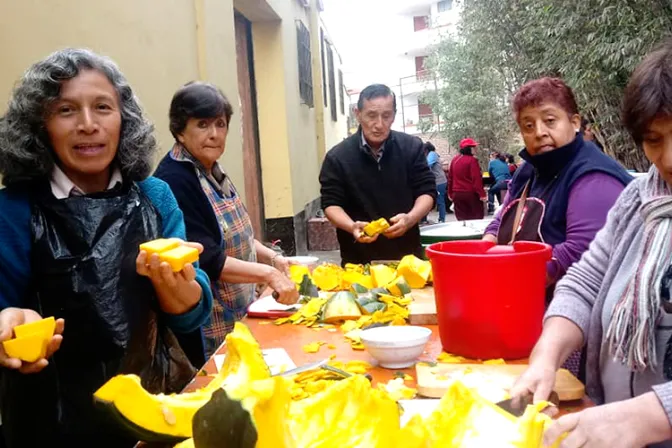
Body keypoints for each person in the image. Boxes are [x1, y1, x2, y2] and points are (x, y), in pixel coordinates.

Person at [0, 49, 214, 447]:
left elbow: (190, 319)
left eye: (102, 107)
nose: (87, 125)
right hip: (48, 424)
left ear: (123, 119)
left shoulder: (155, 196)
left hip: (154, 412)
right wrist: (8, 320)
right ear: (39, 125)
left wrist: (175, 285)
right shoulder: (13, 209)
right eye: (65, 110)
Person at [511, 41, 672, 448]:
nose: (668, 159)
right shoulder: (639, 200)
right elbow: (585, 281)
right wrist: (547, 353)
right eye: (654, 140)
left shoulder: (594, 178)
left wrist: (651, 416)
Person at [482, 77, 632, 376]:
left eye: (550, 120)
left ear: (574, 122)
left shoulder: (592, 175)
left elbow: (582, 253)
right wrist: (483, 256)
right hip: (528, 312)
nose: (539, 132)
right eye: (528, 125)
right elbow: (503, 218)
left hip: (576, 327)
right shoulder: (531, 169)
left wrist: (509, 276)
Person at [155, 81, 298, 358]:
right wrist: (268, 274)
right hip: (206, 324)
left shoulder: (212, 171)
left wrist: (273, 258)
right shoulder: (175, 179)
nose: (214, 134)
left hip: (239, 310)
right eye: (202, 124)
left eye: (220, 124)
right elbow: (208, 257)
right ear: (180, 131)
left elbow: (234, 235)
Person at [319, 84, 436, 265]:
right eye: (372, 116)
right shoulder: (338, 157)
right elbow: (331, 204)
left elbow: (427, 192)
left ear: (394, 115)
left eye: (386, 116)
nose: (379, 125)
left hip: (408, 261)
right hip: (358, 261)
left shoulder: (411, 147)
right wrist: (352, 226)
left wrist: (410, 219)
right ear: (357, 114)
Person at [447, 138, 486, 221]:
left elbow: (450, 178)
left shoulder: (454, 160)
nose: (476, 149)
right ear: (469, 148)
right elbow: (476, 179)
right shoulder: (472, 160)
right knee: (476, 218)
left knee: (462, 219)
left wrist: (450, 193)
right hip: (470, 194)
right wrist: (482, 194)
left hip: (457, 194)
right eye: (474, 147)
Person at [424, 141, 448, 223]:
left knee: (440, 201)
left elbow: (428, 165)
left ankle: (442, 219)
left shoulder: (432, 154)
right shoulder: (432, 154)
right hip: (437, 181)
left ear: (426, 149)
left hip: (439, 182)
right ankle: (425, 219)